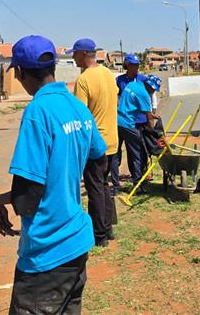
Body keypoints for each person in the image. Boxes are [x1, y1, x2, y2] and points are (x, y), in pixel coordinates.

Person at [0, 35, 106, 315]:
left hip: (47, 253)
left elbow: (27, 197)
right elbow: (98, 155)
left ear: (20, 72)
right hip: (76, 242)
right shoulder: (77, 106)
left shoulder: (37, 111)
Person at [70, 38, 118, 247]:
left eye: (74, 54)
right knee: (104, 185)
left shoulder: (84, 80)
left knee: (95, 188)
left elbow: (80, 116)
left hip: (95, 144)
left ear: (83, 54)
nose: (72, 57)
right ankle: (107, 229)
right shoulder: (108, 74)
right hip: (113, 141)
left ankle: (99, 236)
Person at [111, 54, 147, 190]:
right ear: (127, 65)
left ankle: (137, 180)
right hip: (123, 121)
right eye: (133, 65)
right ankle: (115, 185)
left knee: (137, 153)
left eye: (137, 65)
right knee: (116, 152)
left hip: (139, 121)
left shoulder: (142, 79)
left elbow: (151, 94)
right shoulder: (119, 80)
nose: (136, 68)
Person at [115, 75, 155, 193]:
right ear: (149, 86)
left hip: (118, 121)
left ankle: (115, 184)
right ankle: (138, 184)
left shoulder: (132, 85)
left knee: (117, 153)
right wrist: (153, 134)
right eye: (154, 89)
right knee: (138, 153)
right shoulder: (144, 95)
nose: (154, 92)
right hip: (128, 124)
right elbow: (149, 118)